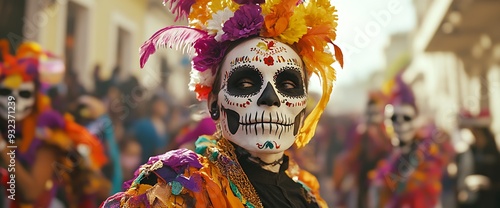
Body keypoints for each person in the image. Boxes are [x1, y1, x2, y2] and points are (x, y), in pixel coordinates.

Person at [101, 0, 341, 207]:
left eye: (289, 86)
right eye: (246, 84)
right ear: (215, 104)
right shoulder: (178, 190)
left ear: (303, 106)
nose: (270, 98)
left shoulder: (308, 196)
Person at [0, 40, 108, 207]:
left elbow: (31, 192)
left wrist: (3, 149)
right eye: (6, 92)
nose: (12, 101)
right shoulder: (12, 130)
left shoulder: (48, 136)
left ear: (36, 95)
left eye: (24, 93)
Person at [368, 74, 447, 208]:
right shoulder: (386, 155)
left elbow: (426, 190)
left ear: (415, 121)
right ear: (386, 123)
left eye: (406, 118)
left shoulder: (426, 153)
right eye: (394, 119)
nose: (400, 125)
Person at [333, 91, 392, 208]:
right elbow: (352, 155)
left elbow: (390, 152)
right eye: (370, 112)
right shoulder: (361, 132)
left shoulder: (387, 132)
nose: (372, 116)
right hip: (362, 178)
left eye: (375, 112)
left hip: (382, 179)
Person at [455, 109, 500, 208]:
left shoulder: (494, 152)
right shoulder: (469, 152)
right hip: (472, 201)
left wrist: (487, 183)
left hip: (491, 200)